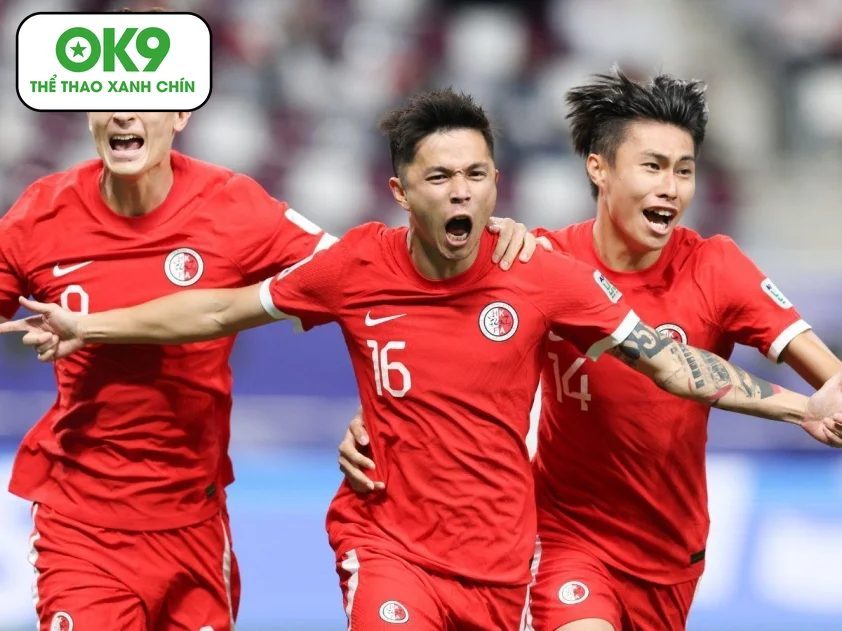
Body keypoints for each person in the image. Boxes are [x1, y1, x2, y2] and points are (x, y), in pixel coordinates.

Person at [3, 88, 842, 631]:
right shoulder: (357, 265)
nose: (462, 191)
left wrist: (796, 403)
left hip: (503, 561)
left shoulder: (540, 272)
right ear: (402, 192)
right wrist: (95, 325)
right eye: (440, 177)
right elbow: (222, 307)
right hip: (392, 542)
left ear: (497, 182)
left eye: (476, 174)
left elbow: (667, 362)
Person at [0, 100, 537, 630]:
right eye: (108, 100)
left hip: (195, 523)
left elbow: (373, 281)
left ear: (181, 115)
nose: (124, 114)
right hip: (80, 523)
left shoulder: (233, 206)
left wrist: (479, 239)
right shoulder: (39, 214)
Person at [337, 70, 842, 631]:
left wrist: (820, 405)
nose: (671, 188)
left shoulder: (716, 267)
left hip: (671, 552)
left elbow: (830, 380)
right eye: (652, 166)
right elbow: (438, 342)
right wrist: (380, 416)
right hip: (562, 536)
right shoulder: (539, 263)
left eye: (684, 170)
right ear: (598, 168)